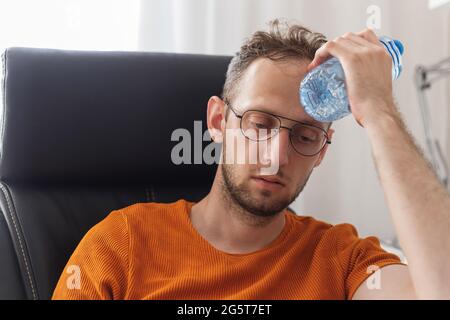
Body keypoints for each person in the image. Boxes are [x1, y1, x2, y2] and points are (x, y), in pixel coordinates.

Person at [52, 20, 450, 300]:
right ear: (218, 120)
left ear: (323, 150)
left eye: (305, 135)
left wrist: (379, 111)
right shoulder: (120, 245)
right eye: (260, 124)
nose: (277, 156)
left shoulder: (343, 260)